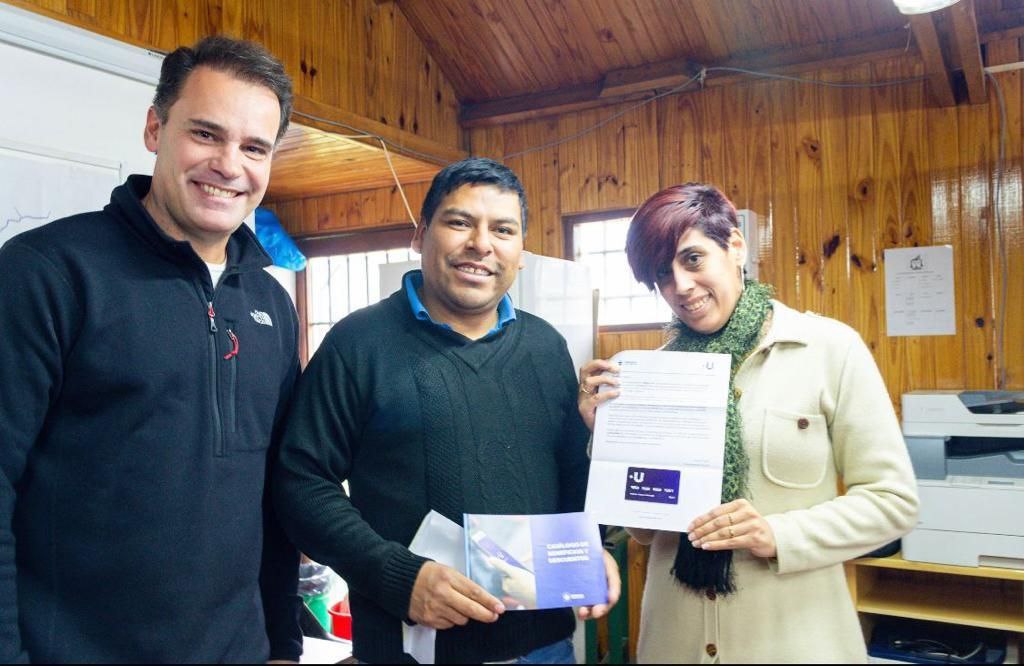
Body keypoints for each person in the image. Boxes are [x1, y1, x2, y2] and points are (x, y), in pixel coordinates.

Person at [0, 36, 302, 662]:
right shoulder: (46, 273)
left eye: (254, 148)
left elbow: (274, 498)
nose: (229, 165)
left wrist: (283, 645)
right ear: (154, 129)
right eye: (206, 134)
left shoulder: (272, 303)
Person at [273, 157, 620, 664]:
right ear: (421, 235)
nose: (481, 244)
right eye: (460, 222)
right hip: (410, 650)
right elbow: (300, 482)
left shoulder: (546, 346)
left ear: (521, 252)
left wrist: (594, 547)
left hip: (545, 648)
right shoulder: (358, 344)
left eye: (503, 230)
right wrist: (397, 576)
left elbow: (570, 477)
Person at [577, 183, 919, 663]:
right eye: (662, 273)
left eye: (692, 259)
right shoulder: (651, 373)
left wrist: (778, 535)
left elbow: (893, 503)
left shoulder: (829, 349)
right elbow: (645, 531)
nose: (681, 286)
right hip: (675, 642)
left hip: (795, 642)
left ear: (735, 246)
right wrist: (610, 437)